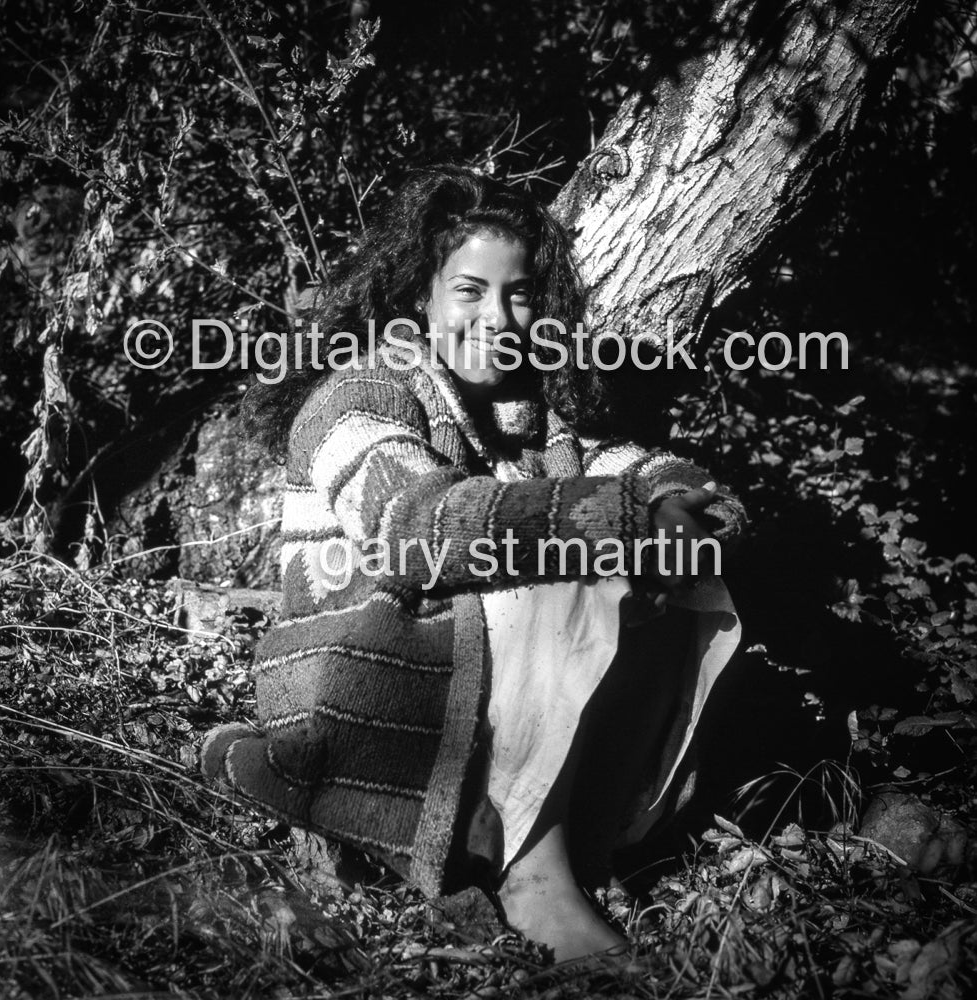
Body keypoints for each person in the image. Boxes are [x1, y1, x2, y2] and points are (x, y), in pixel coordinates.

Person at [201, 164, 745, 962]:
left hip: (462, 694)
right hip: (371, 701)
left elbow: (632, 465)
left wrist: (682, 501)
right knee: (573, 563)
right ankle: (537, 878)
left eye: (519, 294)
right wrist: (620, 517)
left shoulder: (528, 417)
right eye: (469, 291)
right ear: (417, 295)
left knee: (680, 570)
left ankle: (589, 824)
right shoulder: (359, 396)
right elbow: (413, 529)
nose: (499, 317)